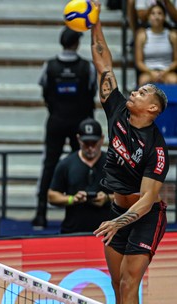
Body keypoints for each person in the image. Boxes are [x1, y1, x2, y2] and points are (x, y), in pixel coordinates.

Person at [90, 1, 170, 302]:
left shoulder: (156, 148)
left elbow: (149, 199)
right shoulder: (117, 111)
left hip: (146, 217)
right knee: (116, 285)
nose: (133, 91)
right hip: (117, 208)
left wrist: (118, 223)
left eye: (141, 92)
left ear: (151, 109)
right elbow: (103, 65)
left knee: (128, 284)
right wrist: (94, 22)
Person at [32, 27, 97, 229]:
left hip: (56, 121)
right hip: (81, 124)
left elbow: (44, 90)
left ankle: (41, 213)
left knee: (49, 165)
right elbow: (91, 92)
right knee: (83, 165)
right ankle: (82, 209)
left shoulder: (49, 66)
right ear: (76, 43)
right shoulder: (87, 67)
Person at [48, 118, 114, 234]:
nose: (90, 148)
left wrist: (107, 199)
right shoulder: (66, 164)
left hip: (106, 232)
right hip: (73, 231)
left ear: (102, 139)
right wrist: (72, 199)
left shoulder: (113, 164)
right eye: (86, 143)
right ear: (78, 139)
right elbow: (52, 196)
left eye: (94, 143)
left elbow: (129, 196)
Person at [135, 2, 177, 86]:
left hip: (167, 71)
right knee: (143, 80)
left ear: (164, 17)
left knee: (174, 80)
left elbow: (176, 60)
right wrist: (151, 72)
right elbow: (139, 62)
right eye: (153, 13)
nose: (156, 17)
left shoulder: (172, 35)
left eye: (160, 13)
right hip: (148, 71)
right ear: (148, 16)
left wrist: (165, 72)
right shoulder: (142, 35)